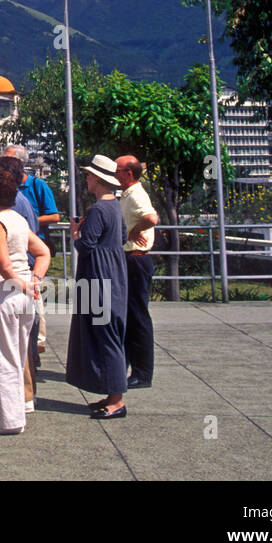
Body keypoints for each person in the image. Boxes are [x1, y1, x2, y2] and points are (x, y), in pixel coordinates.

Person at [0, 169, 51, 434]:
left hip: (0, 291)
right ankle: (3, 408)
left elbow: (4, 265)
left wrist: (23, 283)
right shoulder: (18, 219)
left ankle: (9, 420)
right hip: (21, 293)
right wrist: (34, 281)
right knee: (16, 354)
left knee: (0, 355)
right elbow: (43, 252)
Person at [66, 154, 129, 419]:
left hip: (97, 277)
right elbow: (123, 236)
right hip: (115, 274)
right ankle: (112, 393)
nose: (87, 179)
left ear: (100, 180)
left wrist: (76, 232)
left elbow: (85, 245)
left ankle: (117, 400)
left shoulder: (97, 210)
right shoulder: (114, 207)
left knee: (105, 335)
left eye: (90, 175)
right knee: (110, 333)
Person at [3, 145, 60, 353]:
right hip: (13, 248)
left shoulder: (37, 186)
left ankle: (38, 340)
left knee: (34, 294)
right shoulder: (8, 187)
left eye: (7, 159)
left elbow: (54, 215)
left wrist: (26, 220)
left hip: (33, 248)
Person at [116, 155, 159, 390]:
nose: (115, 174)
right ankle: (133, 366)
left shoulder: (136, 195)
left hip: (136, 260)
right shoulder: (128, 195)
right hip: (130, 260)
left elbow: (152, 217)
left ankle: (142, 373)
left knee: (138, 317)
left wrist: (134, 231)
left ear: (129, 173)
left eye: (118, 170)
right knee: (132, 317)